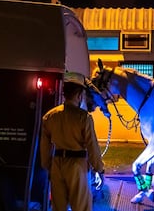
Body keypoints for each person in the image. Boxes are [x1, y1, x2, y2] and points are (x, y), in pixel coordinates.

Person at [40, 72, 105, 211]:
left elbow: (45, 148)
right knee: (81, 206)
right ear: (79, 95)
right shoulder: (83, 118)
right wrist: (99, 168)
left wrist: (48, 166)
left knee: (58, 207)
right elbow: (92, 146)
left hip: (57, 165)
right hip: (77, 166)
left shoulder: (49, 116)